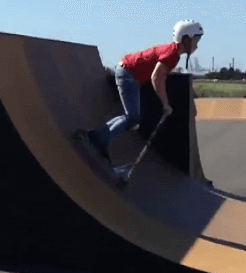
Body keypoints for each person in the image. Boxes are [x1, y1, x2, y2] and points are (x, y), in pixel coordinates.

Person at [84, 20, 204, 165]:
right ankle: (97, 138)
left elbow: (159, 75)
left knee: (132, 117)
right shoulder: (172, 54)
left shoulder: (174, 54)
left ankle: (99, 137)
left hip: (130, 74)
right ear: (186, 39)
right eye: (196, 40)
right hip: (128, 74)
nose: (197, 44)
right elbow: (156, 77)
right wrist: (165, 104)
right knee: (133, 117)